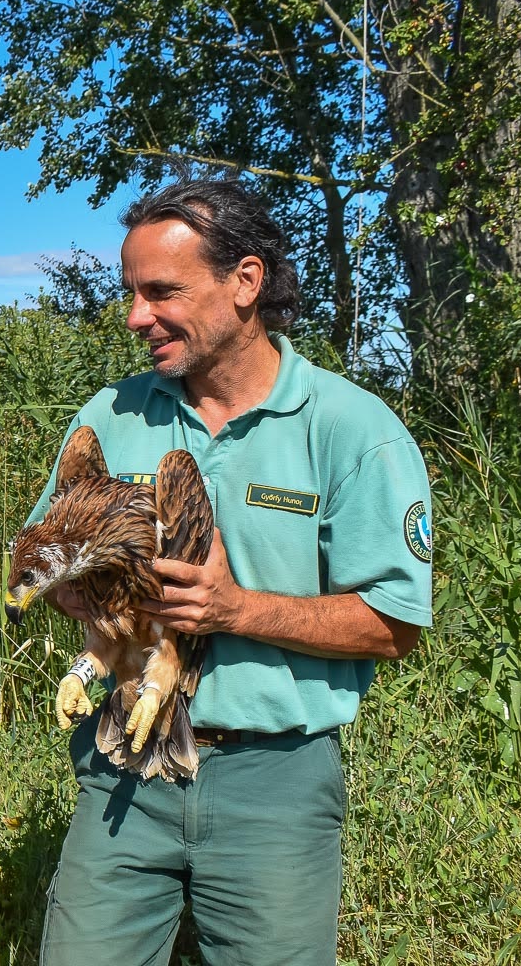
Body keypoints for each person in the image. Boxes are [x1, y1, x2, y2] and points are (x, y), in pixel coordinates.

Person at [29, 178, 433, 966]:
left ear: (245, 281)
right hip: (123, 767)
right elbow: (47, 566)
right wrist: (88, 591)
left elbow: (394, 623)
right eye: (131, 293)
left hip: (272, 780)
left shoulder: (351, 429)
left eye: (161, 292)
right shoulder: (110, 416)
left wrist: (235, 610)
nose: (136, 316)